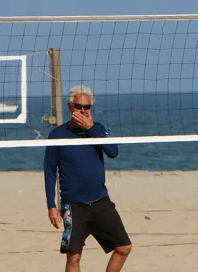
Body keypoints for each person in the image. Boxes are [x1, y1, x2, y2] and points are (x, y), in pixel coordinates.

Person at [44, 85, 132, 272]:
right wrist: (51, 205)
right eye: (78, 106)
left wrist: (91, 128)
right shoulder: (57, 135)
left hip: (100, 201)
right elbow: (50, 171)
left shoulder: (98, 129)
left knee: (124, 248)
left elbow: (113, 152)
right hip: (73, 206)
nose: (82, 110)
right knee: (74, 256)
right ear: (70, 106)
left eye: (87, 107)